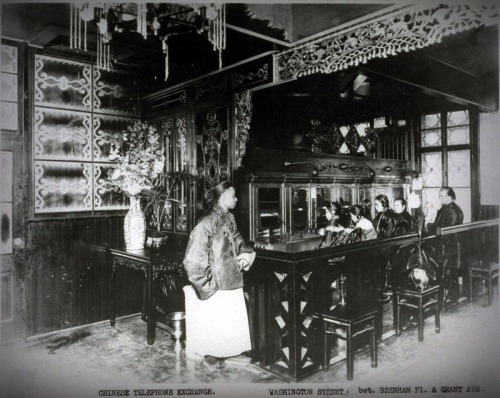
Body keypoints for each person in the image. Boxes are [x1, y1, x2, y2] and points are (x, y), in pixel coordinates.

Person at [182, 181, 256, 369]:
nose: (237, 199)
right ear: (222, 198)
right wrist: (209, 287)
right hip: (215, 285)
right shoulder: (206, 223)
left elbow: (238, 238)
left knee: (231, 321)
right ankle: (213, 355)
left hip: (232, 278)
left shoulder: (229, 218)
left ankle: (229, 353)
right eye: (233, 196)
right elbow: (192, 260)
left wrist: (246, 254)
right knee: (216, 322)